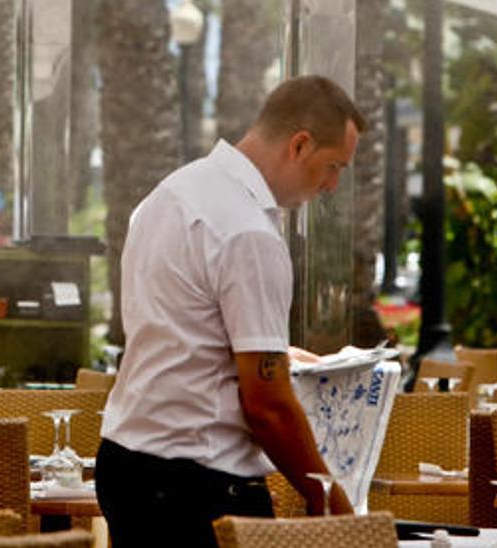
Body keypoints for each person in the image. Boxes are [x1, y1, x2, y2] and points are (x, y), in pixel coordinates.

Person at [95, 75, 366, 547]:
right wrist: (334, 505)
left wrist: (277, 354)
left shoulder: (172, 193)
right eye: (333, 166)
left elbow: (180, 328)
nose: (331, 185)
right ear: (299, 145)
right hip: (196, 484)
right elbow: (268, 407)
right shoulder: (249, 232)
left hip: (126, 464)